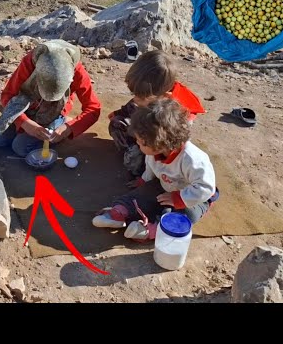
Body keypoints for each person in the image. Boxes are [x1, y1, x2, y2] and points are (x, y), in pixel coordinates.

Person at [93, 98, 219, 241]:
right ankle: (120, 212)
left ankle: (156, 229)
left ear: (160, 144)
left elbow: (205, 188)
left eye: (141, 143)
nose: (137, 144)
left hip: (194, 196)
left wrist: (178, 198)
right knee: (142, 193)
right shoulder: (153, 153)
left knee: (186, 216)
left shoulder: (193, 160)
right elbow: (151, 168)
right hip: (165, 185)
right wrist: (143, 181)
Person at [0, 39, 101, 157]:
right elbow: (7, 95)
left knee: (20, 147)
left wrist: (69, 128)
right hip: (27, 107)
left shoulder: (76, 71)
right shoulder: (30, 62)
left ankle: (61, 122)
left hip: (53, 113)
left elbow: (93, 108)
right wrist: (25, 123)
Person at [107, 49, 205, 176]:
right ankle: (136, 148)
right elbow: (135, 104)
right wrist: (120, 113)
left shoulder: (179, 115)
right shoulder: (156, 90)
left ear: (165, 96)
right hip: (151, 120)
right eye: (134, 94)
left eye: (142, 97)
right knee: (116, 123)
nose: (136, 99)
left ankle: (143, 167)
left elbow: (172, 146)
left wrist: (147, 151)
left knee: (138, 161)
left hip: (160, 143)